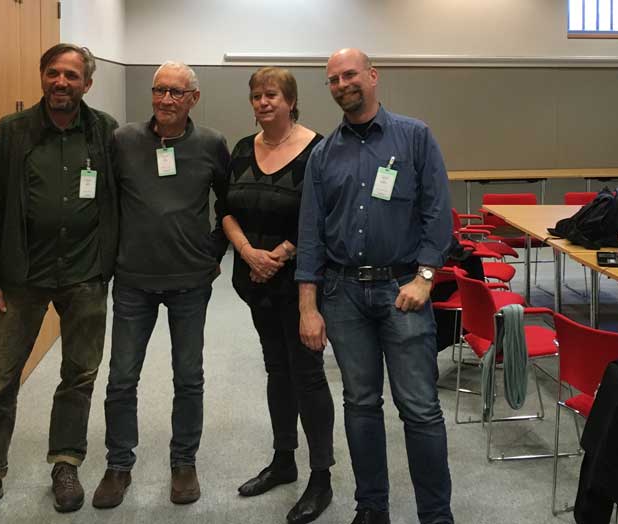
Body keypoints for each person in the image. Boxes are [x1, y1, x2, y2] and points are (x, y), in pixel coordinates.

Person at [0, 43, 118, 524]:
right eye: (53, 73)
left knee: (79, 375)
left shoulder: (104, 131)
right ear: (42, 77)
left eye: (71, 76)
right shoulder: (12, 131)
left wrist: (111, 264)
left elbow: (117, 202)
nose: (61, 83)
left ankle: (66, 464)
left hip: (84, 274)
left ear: (87, 82)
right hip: (22, 277)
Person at [296, 49, 455, 524]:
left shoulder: (414, 137)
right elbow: (310, 235)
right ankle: (372, 509)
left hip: (402, 292)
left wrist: (425, 279)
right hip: (343, 297)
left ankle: (435, 514)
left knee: (420, 409)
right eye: (332, 79)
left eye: (350, 74)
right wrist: (308, 305)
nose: (342, 83)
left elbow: (437, 215)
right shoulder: (323, 154)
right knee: (360, 405)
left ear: (372, 76)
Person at [91, 61, 230, 509]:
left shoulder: (211, 144)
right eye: (159, 90)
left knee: (189, 377)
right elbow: (106, 200)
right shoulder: (124, 140)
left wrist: (212, 250)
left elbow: (230, 203)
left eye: (176, 92)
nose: (166, 99)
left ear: (193, 98)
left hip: (190, 281)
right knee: (121, 379)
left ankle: (184, 462)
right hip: (133, 280)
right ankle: (118, 465)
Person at [222, 67, 334, 524]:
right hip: (254, 281)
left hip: (299, 281)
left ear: (290, 100)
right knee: (275, 369)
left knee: (307, 373)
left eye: (271, 95)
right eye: (255, 96)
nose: (262, 102)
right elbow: (225, 210)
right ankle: (284, 460)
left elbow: (322, 217)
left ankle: (321, 476)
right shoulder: (241, 149)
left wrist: (280, 255)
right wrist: (249, 253)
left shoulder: (318, 149)